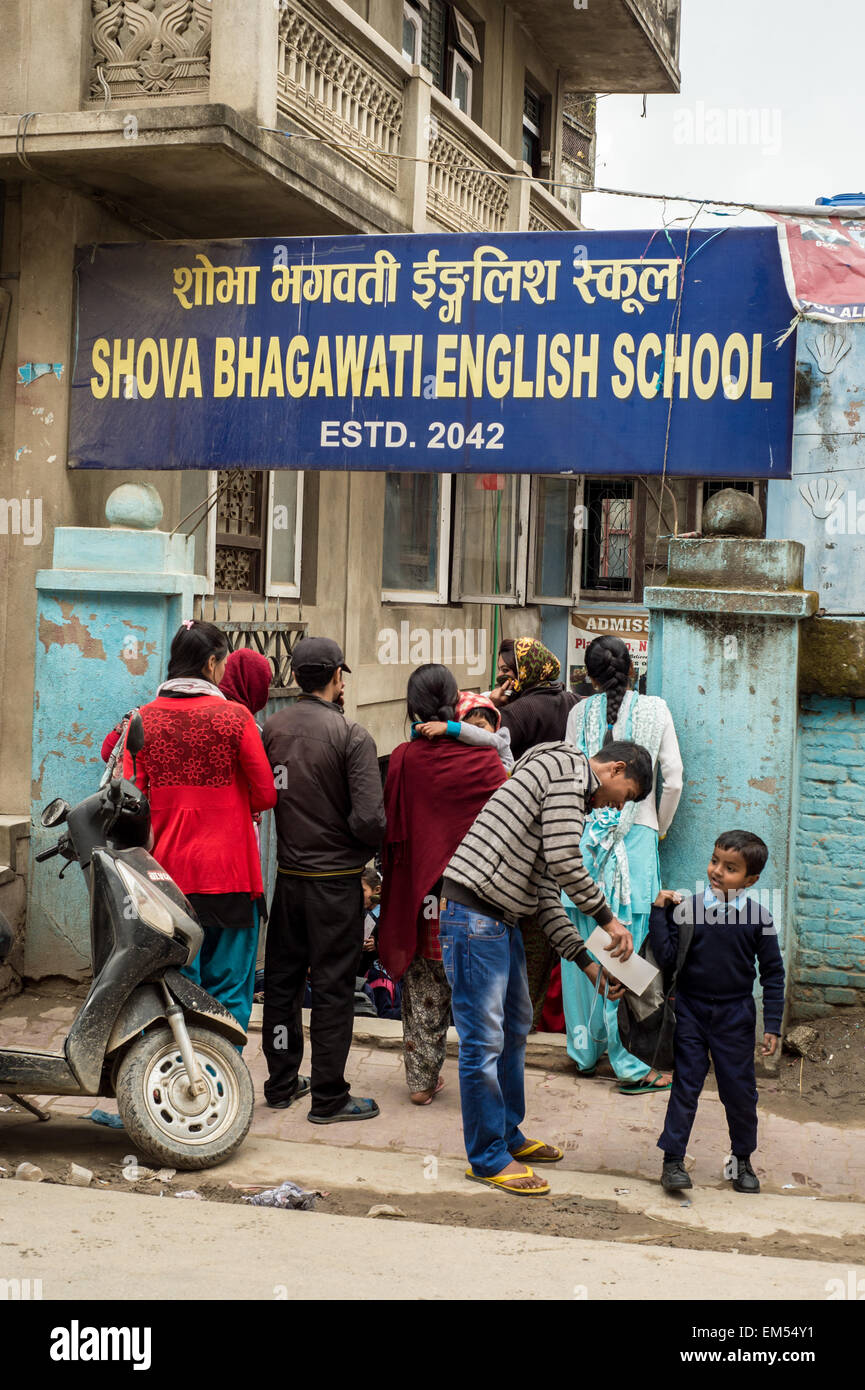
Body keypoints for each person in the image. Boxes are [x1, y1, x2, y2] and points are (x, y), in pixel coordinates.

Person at [440, 738, 653, 1195]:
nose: (617, 808)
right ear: (616, 770)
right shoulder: (567, 772)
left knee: (515, 1029)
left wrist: (589, 965)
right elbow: (565, 863)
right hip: (475, 916)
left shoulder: (561, 788)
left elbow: (544, 896)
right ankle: (486, 1158)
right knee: (483, 1042)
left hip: (498, 919)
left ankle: (507, 1134)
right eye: (627, 796)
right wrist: (608, 920)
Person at [123, 619, 276, 1035]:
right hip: (230, 876)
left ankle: (184, 1081)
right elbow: (265, 793)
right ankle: (221, 1078)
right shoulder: (235, 718)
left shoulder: (142, 719)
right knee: (230, 990)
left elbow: (129, 799)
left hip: (167, 880)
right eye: (223, 662)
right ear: (211, 664)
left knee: (179, 988)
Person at [261, 637, 386, 1123]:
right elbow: (371, 820)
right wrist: (357, 850)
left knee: (283, 985)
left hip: (288, 880)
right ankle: (329, 1097)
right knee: (334, 991)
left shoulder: (270, 728)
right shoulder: (352, 736)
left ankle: (280, 1083)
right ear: (337, 677)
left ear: (296, 677)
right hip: (335, 884)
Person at [378, 665, 506, 1104]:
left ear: (412, 706)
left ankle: (420, 1083)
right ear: (455, 705)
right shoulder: (486, 762)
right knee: (476, 999)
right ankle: (483, 1085)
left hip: (423, 897)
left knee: (423, 990)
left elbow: (395, 831)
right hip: (473, 901)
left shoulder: (403, 758)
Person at [561, 634, 683, 1093]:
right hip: (636, 842)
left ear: (589, 676)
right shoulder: (658, 710)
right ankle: (629, 1064)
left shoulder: (577, 712)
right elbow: (673, 779)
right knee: (626, 950)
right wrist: (655, 825)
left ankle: (584, 1052)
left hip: (583, 843)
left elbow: (573, 776)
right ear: (633, 669)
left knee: (581, 937)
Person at [648, 830, 785, 1196]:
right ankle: (673, 1160)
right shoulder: (687, 909)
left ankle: (741, 1160)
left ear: (751, 880)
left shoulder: (759, 918)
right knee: (686, 1086)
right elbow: (665, 958)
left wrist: (772, 1024)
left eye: (731, 868)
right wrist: (659, 912)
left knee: (740, 1092)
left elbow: (773, 973)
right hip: (690, 1010)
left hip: (735, 1015)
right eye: (714, 861)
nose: (717, 871)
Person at [488, 638, 577, 760]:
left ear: (525, 671)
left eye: (505, 670)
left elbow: (489, 745)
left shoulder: (516, 712)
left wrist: (492, 707)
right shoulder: (572, 700)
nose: (499, 676)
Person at [414, 689, 513, 770]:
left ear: (495, 725)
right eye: (468, 726)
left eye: (480, 726)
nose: (474, 731)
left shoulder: (500, 740)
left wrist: (448, 727)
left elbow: (480, 736)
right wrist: (421, 729)